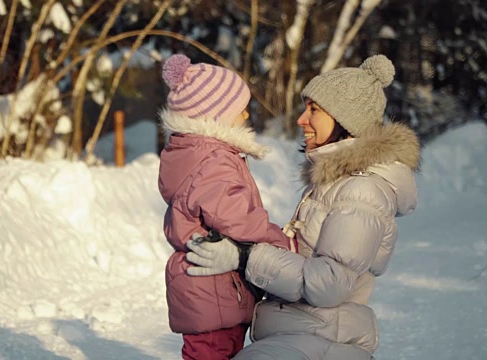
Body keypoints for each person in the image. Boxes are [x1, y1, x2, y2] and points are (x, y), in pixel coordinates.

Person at [186, 54, 420, 359]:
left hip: (319, 337)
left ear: (345, 120)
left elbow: (328, 284)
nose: (301, 119)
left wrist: (246, 257)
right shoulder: (333, 184)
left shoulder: (361, 191)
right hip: (301, 335)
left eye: (314, 110)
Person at [158, 54, 293, 360]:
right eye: (239, 110)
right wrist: (282, 245)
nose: (245, 116)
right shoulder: (214, 161)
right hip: (213, 288)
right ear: (214, 117)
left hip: (207, 288)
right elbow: (239, 221)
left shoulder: (193, 153)